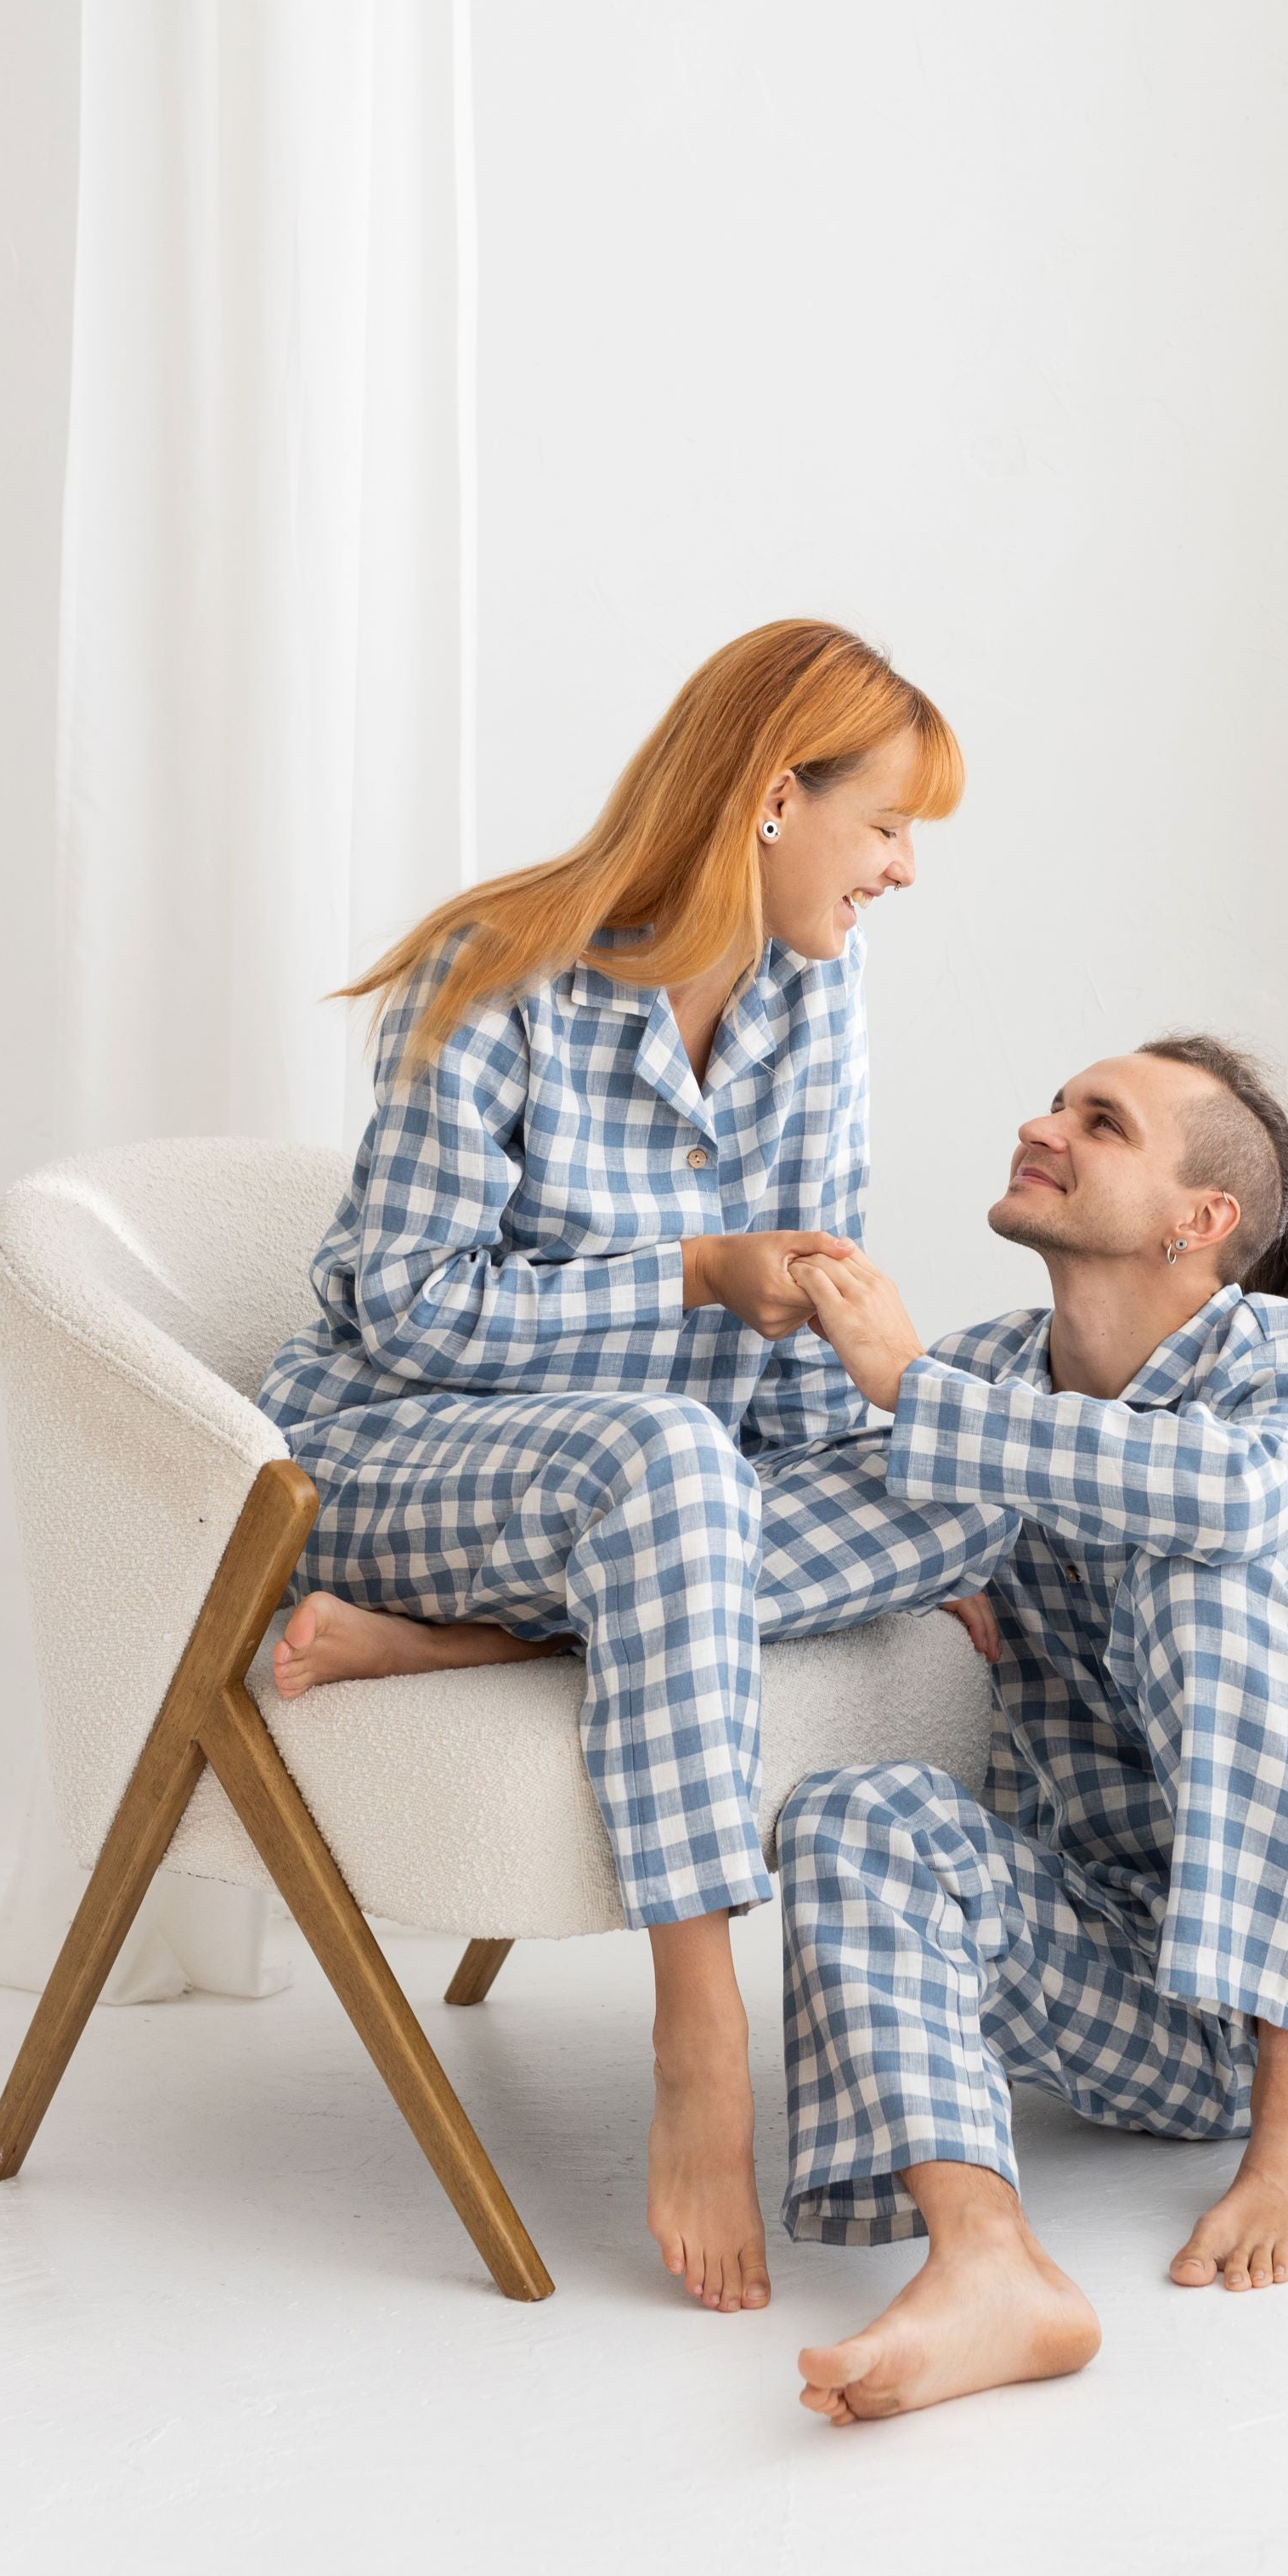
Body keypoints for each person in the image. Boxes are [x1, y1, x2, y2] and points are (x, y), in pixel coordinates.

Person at [254, 622, 1014, 2320]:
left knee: (980, 1456)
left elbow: (806, 1295)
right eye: (887, 824)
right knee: (672, 1457)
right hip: (395, 1452)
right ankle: (702, 2029)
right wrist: (683, 1271)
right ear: (769, 797)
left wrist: (913, 1494)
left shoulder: (821, 994)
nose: (902, 867)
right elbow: (406, 1302)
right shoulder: (496, 971)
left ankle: (479, 1641)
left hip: (647, 1504)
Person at [770, 1035, 1288, 2424]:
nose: (1043, 1124)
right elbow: (768, 1549)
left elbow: (1239, 1500)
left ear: (1195, 1223)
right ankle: (986, 2264)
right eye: (1054, 1101)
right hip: (1159, 1994)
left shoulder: (1284, 1358)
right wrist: (436, 1635)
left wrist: (915, 1400)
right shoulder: (980, 1380)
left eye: (1101, 1121)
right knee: (850, 1819)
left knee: (1203, 1585)